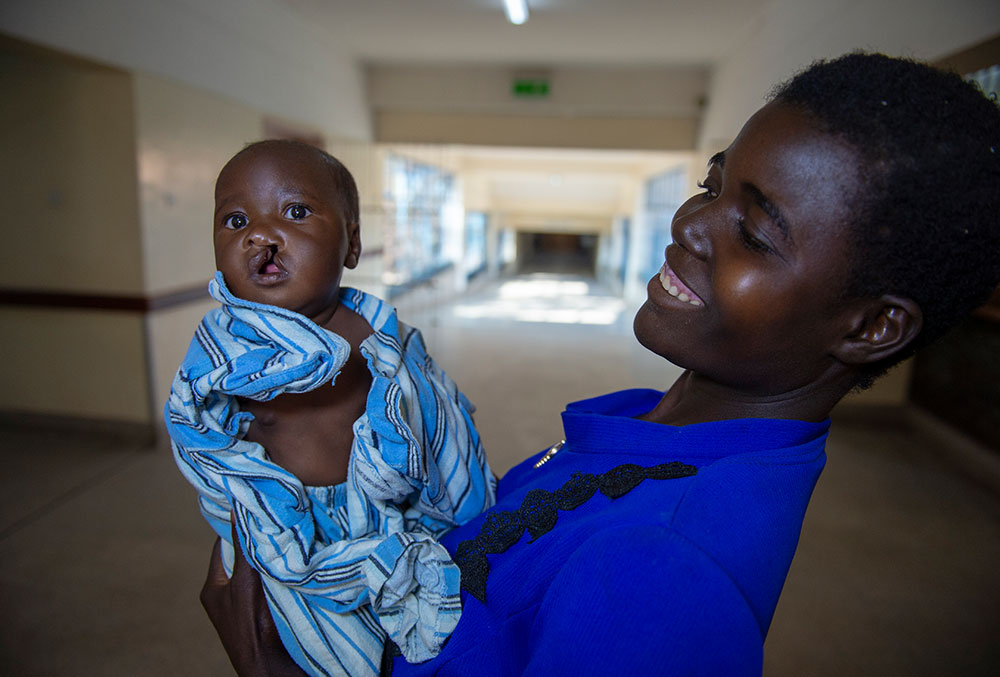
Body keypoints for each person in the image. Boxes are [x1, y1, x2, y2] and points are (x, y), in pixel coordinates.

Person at [199, 53, 1000, 675]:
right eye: (710, 184)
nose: (691, 225)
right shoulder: (642, 427)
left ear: (871, 327)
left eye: (755, 233)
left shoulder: (665, 570)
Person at [164, 140, 496, 676]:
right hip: (286, 527)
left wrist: (464, 508)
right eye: (235, 219)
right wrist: (242, 499)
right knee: (325, 656)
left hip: (385, 517)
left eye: (296, 212)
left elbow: (439, 424)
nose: (261, 234)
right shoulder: (227, 345)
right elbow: (196, 425)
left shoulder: (384, 339)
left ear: (352, 244)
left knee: (428, 634)